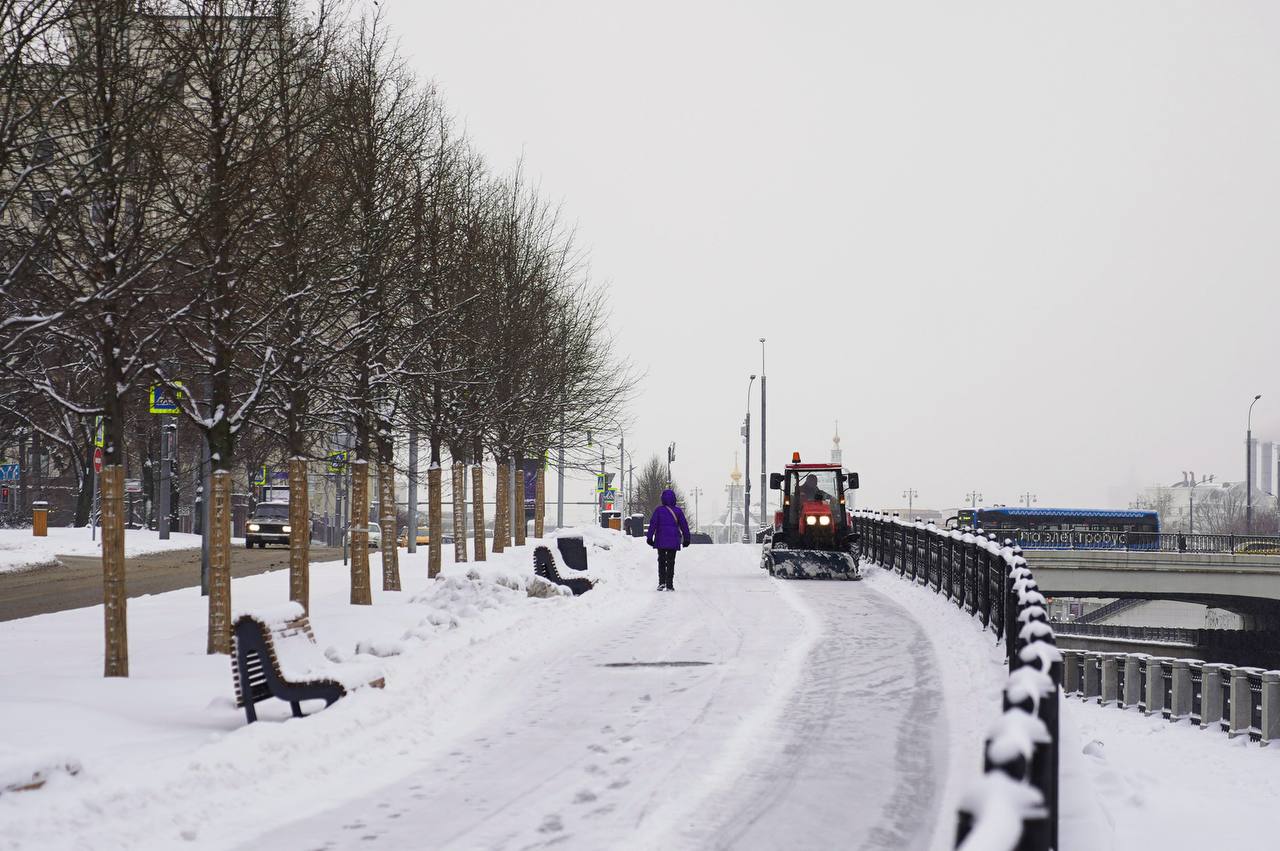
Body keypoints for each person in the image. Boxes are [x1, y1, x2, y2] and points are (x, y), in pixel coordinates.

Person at [646, 488, 691, 591]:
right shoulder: (678, 511)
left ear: (662, 499)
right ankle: (670, 584)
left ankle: (662, 583)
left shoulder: (658, 510)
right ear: (674, 499)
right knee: (671, 562)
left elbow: (653, 524)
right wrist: (687, 539)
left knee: (661, 561)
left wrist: (649, 537)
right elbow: (684, 525)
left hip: (661, 540)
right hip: (673, 540)